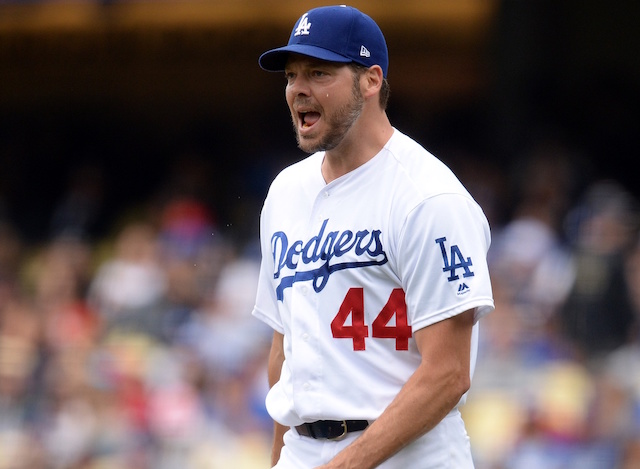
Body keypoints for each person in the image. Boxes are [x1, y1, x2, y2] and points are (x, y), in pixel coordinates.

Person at [252, 5, 495, 468]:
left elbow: (448, 374)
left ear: (370, 80)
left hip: (411, 454)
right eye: (291, 75)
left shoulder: (427, 197)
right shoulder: (285, 192)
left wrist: (347, 464)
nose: (298, 89)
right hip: (303, 451)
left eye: (319, 72)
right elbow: (285, 351)